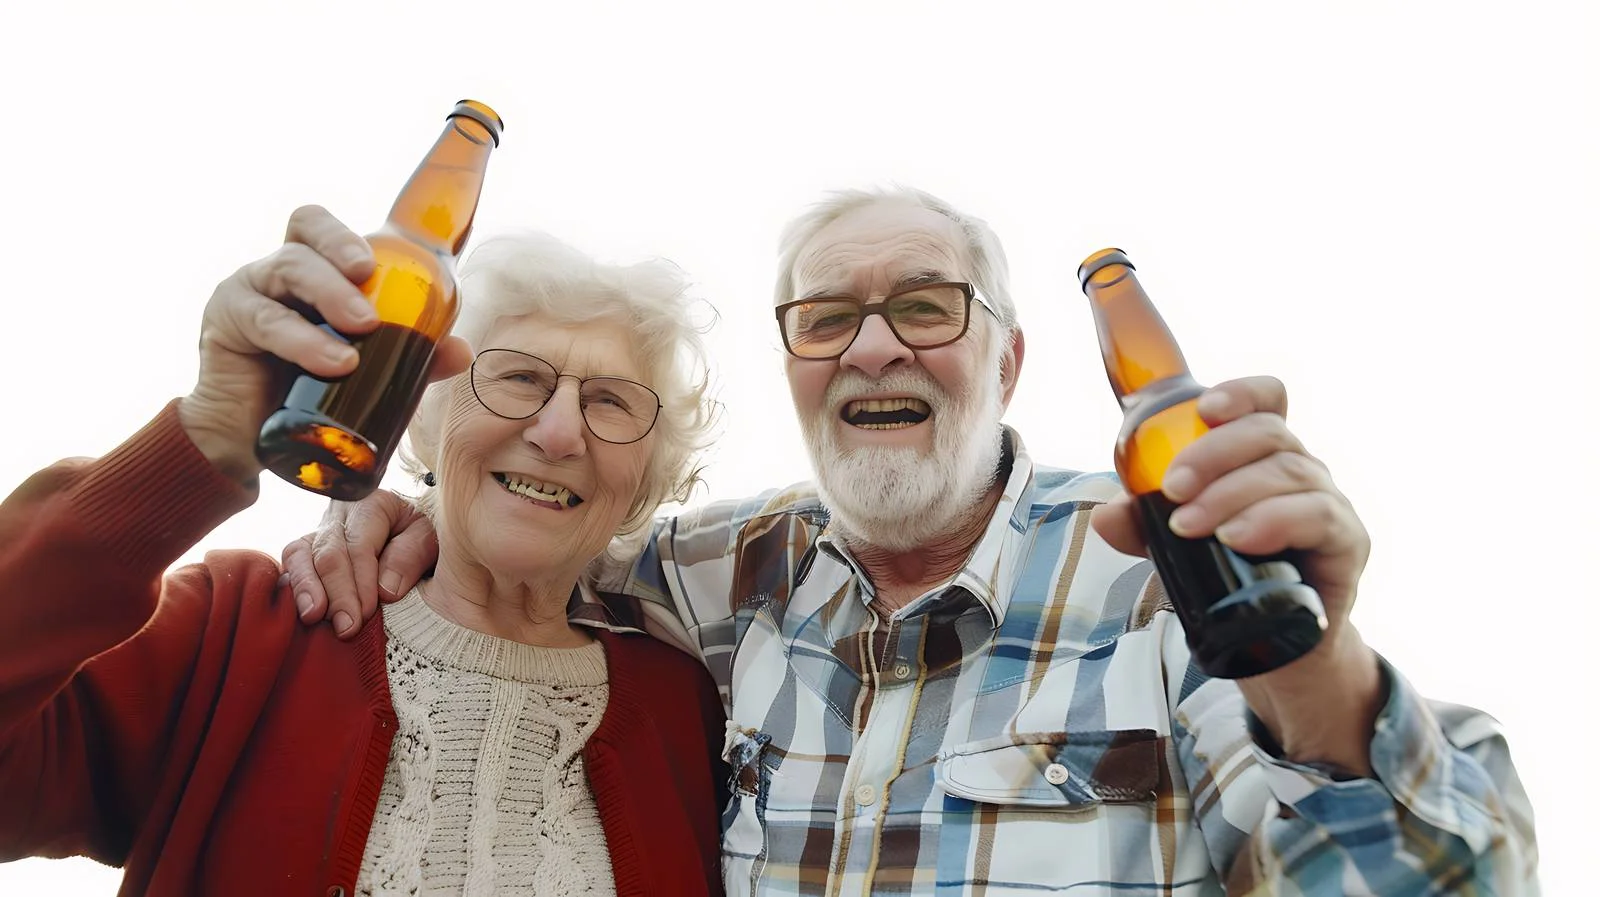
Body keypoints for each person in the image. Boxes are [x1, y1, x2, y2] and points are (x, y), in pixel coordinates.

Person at [284, 188, 1539, 894]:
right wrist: (384, 507)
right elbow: (521, 544)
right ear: (791, 369)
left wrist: (1317, 666)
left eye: (924, 307)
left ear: (1007, 358)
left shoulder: (1163, 577)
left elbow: (1439, 880)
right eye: (826, 318)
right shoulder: (705, 577)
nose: (872, 345)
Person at [0, 210, 729, 897]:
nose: (559, 431)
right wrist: (201, 437)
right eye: (519, 378)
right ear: (427, 415)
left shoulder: (690, 712)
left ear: (644, 481)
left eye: (610, 402)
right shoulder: (238, 630)